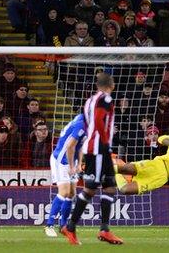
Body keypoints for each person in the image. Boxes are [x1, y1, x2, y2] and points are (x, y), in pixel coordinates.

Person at [61, 73, 122, 245]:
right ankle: (70, 227)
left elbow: (88, 124)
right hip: (98, 148)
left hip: (98, 147)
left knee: (110, 186)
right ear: (112, 84)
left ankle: (104, 229)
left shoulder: (89, 101)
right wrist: (103, 142)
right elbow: (97, 121)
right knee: (90, 190)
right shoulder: (106, 100)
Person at [44, 114, 85, 237]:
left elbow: (82, 145)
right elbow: (70, 146)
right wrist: (72, 166)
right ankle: (49, 225)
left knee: (72, 193)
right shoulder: (81, 123)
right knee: (64, 191)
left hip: (72, 160)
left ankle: (63, 226)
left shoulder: (89, 123)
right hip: (61, 159)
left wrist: (79, 163)